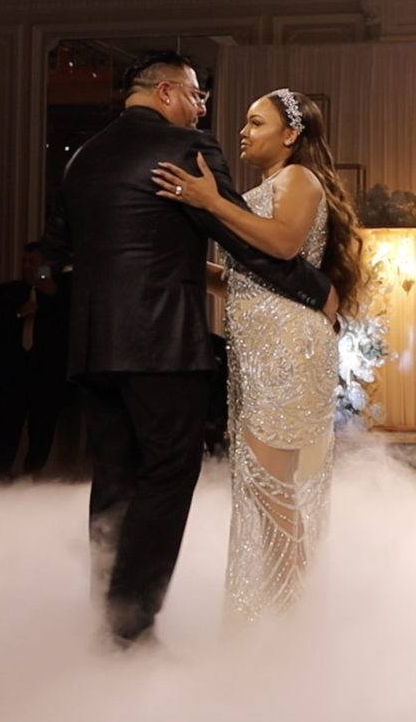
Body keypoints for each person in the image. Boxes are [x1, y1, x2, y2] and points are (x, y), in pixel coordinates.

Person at [42, 51, 333, 646]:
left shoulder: (79, 158)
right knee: (169, 471)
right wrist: (318, 289)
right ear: (169, 93)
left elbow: (57, 254)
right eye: (198, 97)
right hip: (160, 344)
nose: (205, 110)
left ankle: (106, 612)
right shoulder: (186, 149)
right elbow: (242, 240)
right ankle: (131, 623)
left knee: (114, 473)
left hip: (92, 345)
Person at [153, 87, 367, 624]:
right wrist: (180, 266)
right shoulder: (263, 188)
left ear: (291, 135)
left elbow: (283, 245)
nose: (243, 133)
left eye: (256, 123)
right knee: (262, 486)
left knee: (273, 492)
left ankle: (293, 616)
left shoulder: (298, 178)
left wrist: (210, 203)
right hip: (260, 350)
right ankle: (284, 609)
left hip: (287, 351)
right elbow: (246, 281)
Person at [0, 242, 70, 478]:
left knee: (42, 427)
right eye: (24, 261)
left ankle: (34, 471)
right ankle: (0, 472)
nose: (26, 266)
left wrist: (50, 292)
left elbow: (69, 323)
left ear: (45, 265)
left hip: (46, 374)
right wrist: (18, 312)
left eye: (32, 261)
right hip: (13, 373)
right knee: (7, 426)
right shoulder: (9, 291)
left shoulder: (58, 293)